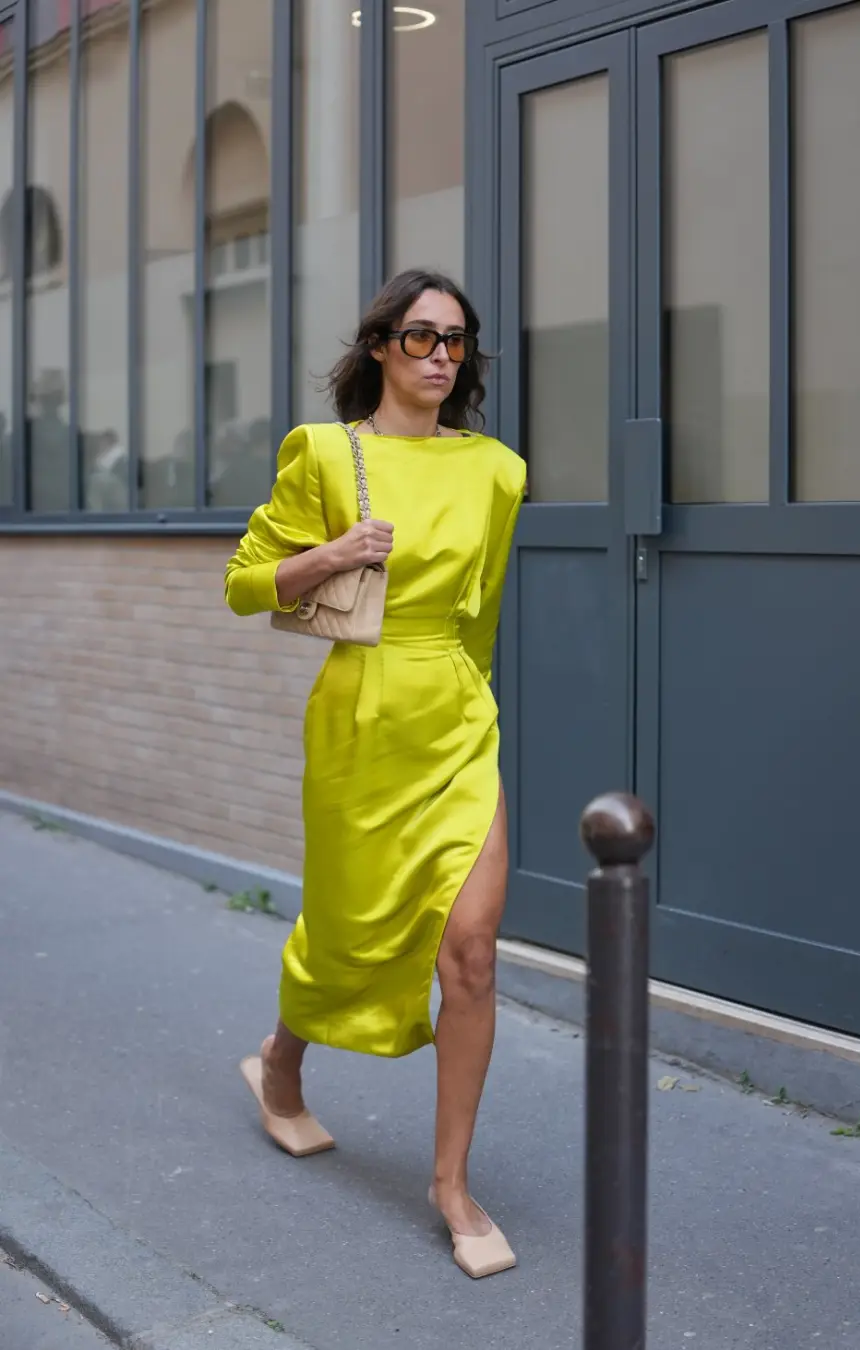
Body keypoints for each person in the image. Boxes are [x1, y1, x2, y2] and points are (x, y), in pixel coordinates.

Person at [224, 269, 526, 1280]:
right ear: (381, 348)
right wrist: (330, 554)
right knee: (351, 931)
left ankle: (450, 1184)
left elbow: (480, 614)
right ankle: (281, 1062)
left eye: (458, 341)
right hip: (359, 715)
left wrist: (468, 710)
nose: (443, 356)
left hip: (454, 715)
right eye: (423, 337)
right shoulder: (324, 454)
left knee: (471, 953)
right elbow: (243, 585)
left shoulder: (496, 470)